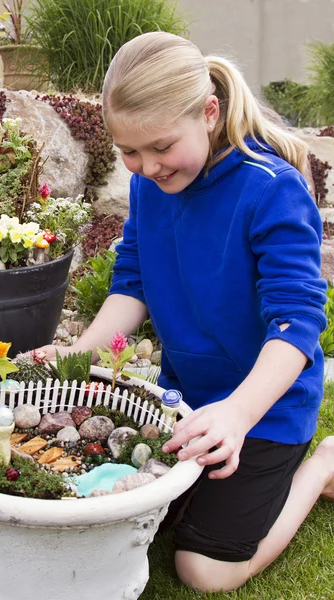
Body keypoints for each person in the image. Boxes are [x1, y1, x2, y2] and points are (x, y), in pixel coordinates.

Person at [37, 32, 334, 592]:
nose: (146, 167)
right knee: (127, 519)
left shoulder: (272, 190)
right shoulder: (154, 183)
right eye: (129, 152)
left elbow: (297, 323)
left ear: (209, 112)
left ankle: (320, 467)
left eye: (161, 147)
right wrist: (78, 353)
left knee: (202, 569)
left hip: (263, 410)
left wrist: (239, 415)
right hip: (185, 400)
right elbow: (133, 282)